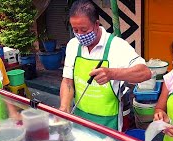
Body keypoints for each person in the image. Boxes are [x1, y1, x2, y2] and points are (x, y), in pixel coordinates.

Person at [59, 0, 151, 131]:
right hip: (80, 120)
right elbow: (67, 82)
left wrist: (112, 74)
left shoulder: (116, 46)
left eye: (84, 29)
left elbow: (145, 72)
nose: (79, 34)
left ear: (96, 24)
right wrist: (64, 107)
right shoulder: (73, 45)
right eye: (75, 30)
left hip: (108, 124)